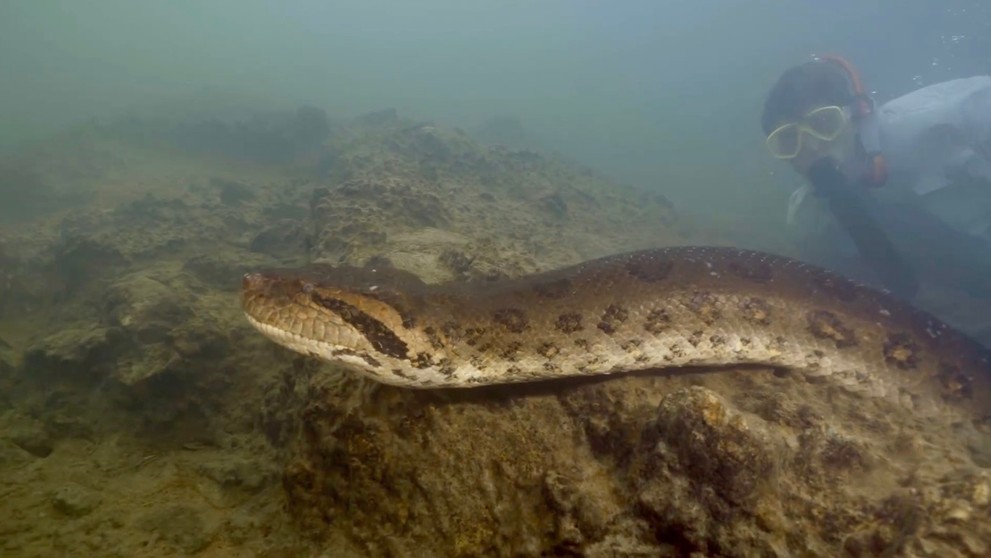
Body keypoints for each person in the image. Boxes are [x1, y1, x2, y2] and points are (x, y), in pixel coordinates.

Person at [761, 55, 991, 302]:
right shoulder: (812, 219)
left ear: (857, 113)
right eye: (788, 140)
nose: (813, 146)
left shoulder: (959, 115)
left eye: (824, 123)